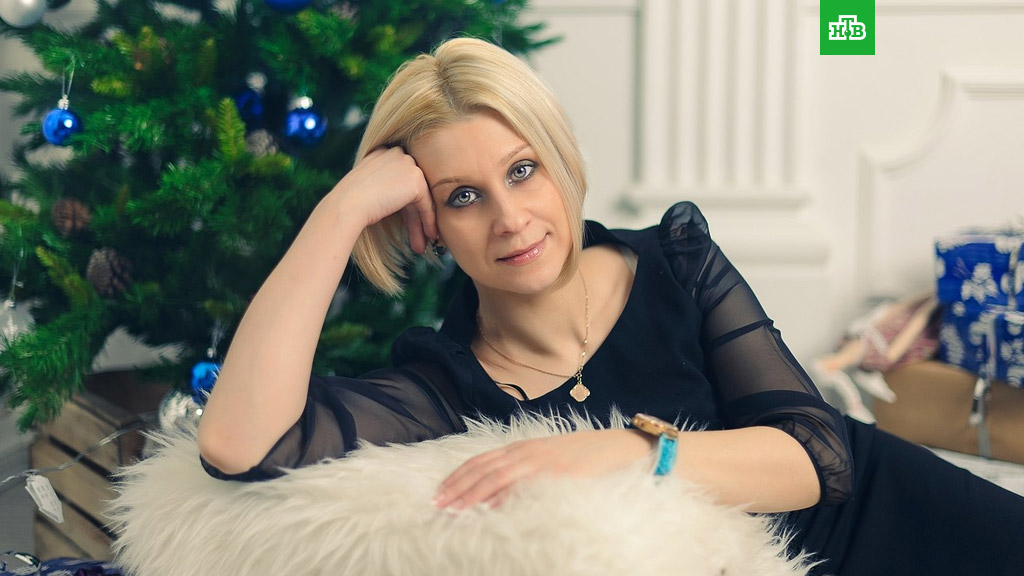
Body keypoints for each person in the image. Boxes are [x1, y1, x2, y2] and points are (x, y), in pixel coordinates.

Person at [196, 37, 1024, 575]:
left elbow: (819, 457)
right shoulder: (448, 383)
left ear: (559, 160)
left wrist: (626, 451)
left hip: (893, 512)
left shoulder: (672, 262)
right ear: (431, 226)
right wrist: (341, 210)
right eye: (463, 196)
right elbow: (237, 445)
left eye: (522, 170)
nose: (511, 218)